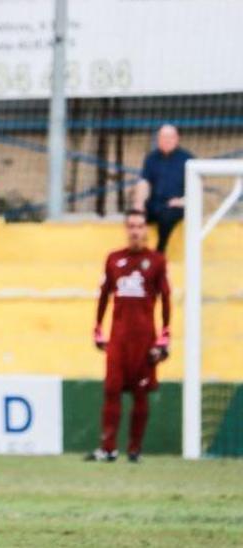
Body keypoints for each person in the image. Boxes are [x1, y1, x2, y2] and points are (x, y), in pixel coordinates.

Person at [88, 210, 171, 463]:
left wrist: (164, 336)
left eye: (140, 226)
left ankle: (134, 450)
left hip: (145, 339)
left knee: (140, 394)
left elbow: (166, 299)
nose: (135, 231)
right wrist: (97, 327)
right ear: (126, 229)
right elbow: (104, 296)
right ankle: (108, 448)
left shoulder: (157, 261)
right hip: (118, 339)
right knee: (111, 390)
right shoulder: (113, 259)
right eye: (131, 226)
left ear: (146, 230)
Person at [131, 124, 193, 254]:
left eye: (170, 137)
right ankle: (137, 250)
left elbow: (196, 187)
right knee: (135, 216)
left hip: (176, 206)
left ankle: (160, 251)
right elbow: (144, 182)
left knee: (166, 218)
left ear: (177, 138)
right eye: (163, 137)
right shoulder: (151, 158)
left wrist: (182, 201)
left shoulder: (188, 159)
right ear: (158, 139)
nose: (167, 140)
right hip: (154, 204)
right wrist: (139, 203)